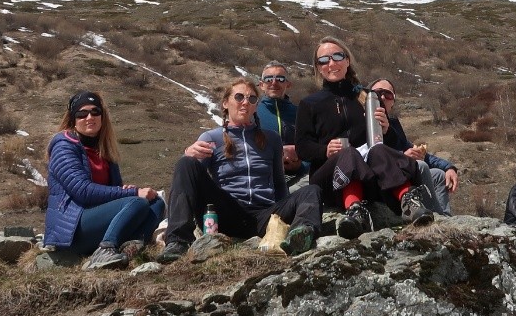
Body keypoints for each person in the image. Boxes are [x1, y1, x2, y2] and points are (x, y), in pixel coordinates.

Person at [161, 78, 324, 262]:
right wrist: (188, 154)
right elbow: (190, 179)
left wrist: (283, 215)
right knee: (186, 164)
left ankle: (301, 234)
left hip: (265, 215)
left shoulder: (272, 139)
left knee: (312, 190)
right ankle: (177, 241)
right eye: (239, 97)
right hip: (226, 214)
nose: (245, 102)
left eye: (252, 99)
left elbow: (279, 183)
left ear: (256, 106)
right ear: (225, 103)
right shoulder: (211, 137)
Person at [294, 37, 437, 238]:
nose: (331, 63)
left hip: (371, 178)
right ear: (318, 67)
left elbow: (393, 145)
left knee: (378, 150)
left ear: (347, 60)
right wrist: (325, 150)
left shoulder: (368, 97)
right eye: (324, 60)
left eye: (337, 56)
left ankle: (409, 202)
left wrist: (387, 130)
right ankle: (354, 210)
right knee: (349, 153)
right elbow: (302, 148)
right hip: (330, 182)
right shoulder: (310, 104)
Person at [45, 91, 164, 269]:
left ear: (102, 117)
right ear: (73, 119)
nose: (89, 117)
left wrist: (124, 190)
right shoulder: (64, 146)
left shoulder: (104, 150)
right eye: (82, 114)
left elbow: (112, 191)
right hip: (72, 229)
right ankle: (105, 250)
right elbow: (83, 191)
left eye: (95, 112)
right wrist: (131, 193)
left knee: (156, 203)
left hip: (96, 222)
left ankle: (130, 250)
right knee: (137, 202)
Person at [370, 78, 458, 216]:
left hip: (403, 175)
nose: (382, 97)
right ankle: (436, 219)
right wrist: (402, 158)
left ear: (393, 102)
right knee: (420, 166)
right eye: (377, 93)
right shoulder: (364, 122)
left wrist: (448, 167)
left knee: (438, 175)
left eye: (388, 95)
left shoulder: (394, 125)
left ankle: (445, 217)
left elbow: (415, 151)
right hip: (380, 181)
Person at [256, 60, 305, 180]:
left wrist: (301, 166)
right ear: (261, 85)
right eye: (268, 79)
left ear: (288, 84)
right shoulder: (252, 113)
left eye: (280, 79)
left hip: (298, 178)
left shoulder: (301, 113)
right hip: (263, 178)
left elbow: (312, 148)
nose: (274, 83)